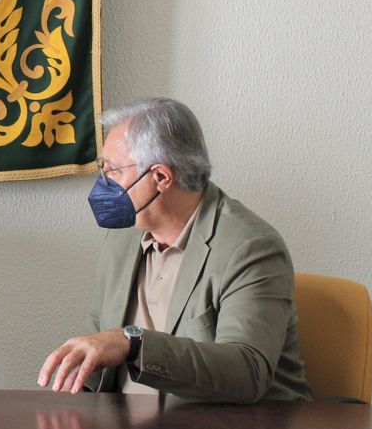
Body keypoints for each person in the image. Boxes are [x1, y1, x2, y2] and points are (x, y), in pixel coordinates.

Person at [38, 97, 312, 403]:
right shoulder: (124, 238)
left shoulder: (251, 249)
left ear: (160, 177)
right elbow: (101, 339)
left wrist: (135, 346)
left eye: (112, 170)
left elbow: (247, 372)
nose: (103, 182)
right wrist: (77, 396)